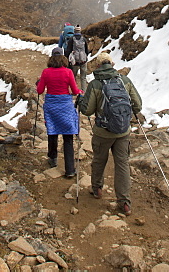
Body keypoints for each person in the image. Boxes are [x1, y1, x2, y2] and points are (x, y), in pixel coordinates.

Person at [78, 52, 142, 215]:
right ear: (112, 64)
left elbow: (87, 110)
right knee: (122, 164)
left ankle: (97, 189)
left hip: (102, 132)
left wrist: (80, 101)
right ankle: (124, 202)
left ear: (98, 66)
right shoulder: (124, 80)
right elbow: (138, 104)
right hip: (123, 131)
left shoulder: (95, 84)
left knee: (99, 160)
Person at [35, 53, 82, 178]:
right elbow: (74, 90)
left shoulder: (46, 72)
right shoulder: (68, 72)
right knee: (68, 136)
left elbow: (39, 91)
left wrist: (38, 83)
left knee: (52, 131)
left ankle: (52, 158)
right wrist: (80, 92)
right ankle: (70, 170)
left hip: (51, 105)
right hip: (65, 105)